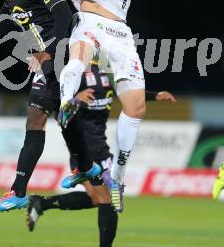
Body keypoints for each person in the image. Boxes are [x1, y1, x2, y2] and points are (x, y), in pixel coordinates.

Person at [21, 0, 185, 210]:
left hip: (120, 31)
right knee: (78, 56)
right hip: (88, 19)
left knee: (136, 106)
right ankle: (68, 112)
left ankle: (118, 180)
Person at [0, 0, 100, 212]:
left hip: (60, 56)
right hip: (45, 59)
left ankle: (20, 191)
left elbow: (64, 12)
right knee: (53, 114)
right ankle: (87, 166)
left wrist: (50, 51)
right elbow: (7, 11)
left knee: (39, 116)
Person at [26, 59, 177, 247]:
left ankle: (42, 203)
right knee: (108, 201)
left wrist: (156, 96)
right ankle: (42, 203)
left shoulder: (107, 75)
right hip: (83, 150)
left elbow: (128, 93)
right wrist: (74, 100)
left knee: (98, 198)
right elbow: (61, 117)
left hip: (100, 148)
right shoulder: (74, 75)